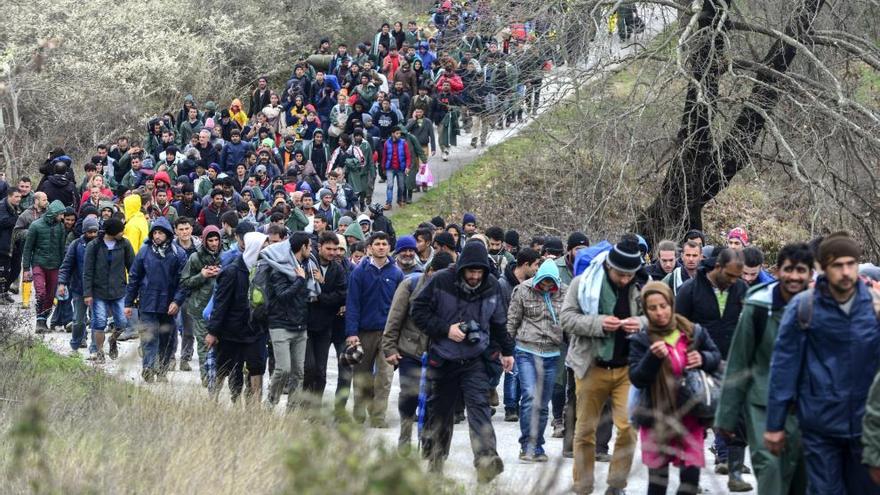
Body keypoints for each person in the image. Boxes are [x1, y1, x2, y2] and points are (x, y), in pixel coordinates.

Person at [766, 232, 880, 494]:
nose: (846, 272)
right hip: (820, 427)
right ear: (822, 268)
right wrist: (775, 424)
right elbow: (783, 368)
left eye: (851, 264)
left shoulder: (874, 307)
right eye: (838, 265)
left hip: (866, 429)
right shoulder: (804, 308)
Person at [412, 240, 514, 483]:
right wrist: (446, 329)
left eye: (479, 272)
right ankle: (435, 463)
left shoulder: (492, 286)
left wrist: (507, 351)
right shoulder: (440, 281)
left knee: (480, 409)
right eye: (471, 271)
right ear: (461, 268)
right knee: (440, 414)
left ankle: (487, 460)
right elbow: (418, 312)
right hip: (444, 358)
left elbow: (499, 322)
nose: (475, 276)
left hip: (474, 358)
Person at [716, 243, 813, 494]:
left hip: (807, 407)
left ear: (811, 274)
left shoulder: (821, 308)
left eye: (801, 270)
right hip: (762, 404)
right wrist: (725, 417)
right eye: (788, 269)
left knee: (801, 480)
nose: (794, 276)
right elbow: (739, 361)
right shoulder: (758, 306)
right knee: (770, 471)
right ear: (778, 271)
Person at [560, 235, 645, 495]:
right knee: (585, 431)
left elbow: (656, 318)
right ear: (609, 266)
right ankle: (583, 484)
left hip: (627, 369)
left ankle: (616, 484)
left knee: (628, 429)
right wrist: (598, 324)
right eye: (620, 274)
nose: (624, 279)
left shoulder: (641, 287)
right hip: (590, 366)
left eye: (629, 274)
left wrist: (639, 324)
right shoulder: (582, 283)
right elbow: (566, 319)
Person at [628, 282, 722, 495]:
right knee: (657, 484)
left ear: (671, 304)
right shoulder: (641, 340)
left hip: (690, 416)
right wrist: (652, 358)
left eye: (663, 306)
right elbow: (637, 378)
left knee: (690, 482)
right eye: (653, 308)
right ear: (645, 309)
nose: (660, 312)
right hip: (656, 417)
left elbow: (716, 357)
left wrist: (704, 358)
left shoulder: (692, 331)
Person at [675, 247, 751, 490]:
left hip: (732, 362)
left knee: (738, 419)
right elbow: (676, 328)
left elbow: (749, 324)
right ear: (717, 267)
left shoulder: (740, 289)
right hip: (697, 364)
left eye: (737, 277)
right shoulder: (689, 290)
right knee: (695, 424)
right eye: (729, 276)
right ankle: (690, 481)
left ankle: (735, 473)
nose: (733, 281)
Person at [382, 251, 454, 452]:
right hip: (409, 350)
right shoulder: (410, 285)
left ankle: (427, 440)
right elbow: (394, 318)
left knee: (434, 399)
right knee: (410, 394)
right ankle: (405, 434)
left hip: (438, 353)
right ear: (430, 271)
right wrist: (389, 348)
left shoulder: (451, 290)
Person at [507, 259, 567, 462]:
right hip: (526, 350)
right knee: (530, 397)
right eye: (544, 282)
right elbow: (512, 321)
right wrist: (505, 350)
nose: (547, 287)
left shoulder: (565, 293)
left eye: (551, 284)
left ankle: (537, 444)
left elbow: (569, 323)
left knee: (542, 403)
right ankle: (526, 445)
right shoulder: (522, 290)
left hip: (552, 353)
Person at [345, 231, 403, 426]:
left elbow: (402, 306)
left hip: (388, 335)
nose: (381, 247)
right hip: (363, 332)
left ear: (389, 247)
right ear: (369, 248)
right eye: (377, 244)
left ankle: (378, 417)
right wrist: (352, 333)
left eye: (384, 244)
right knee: (362, 375)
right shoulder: (359, 272)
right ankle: (360, 409)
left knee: (385, 377)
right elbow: (352, 303)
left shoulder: (396, 273)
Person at [207, 231, 268, 405]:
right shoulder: (232, 271)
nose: (266, 250)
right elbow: (221, 304)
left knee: (257, 367)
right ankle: (213, 401)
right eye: (263, 247)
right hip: (231, 331)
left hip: (254, 330)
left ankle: (255, 406)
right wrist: (213, 331)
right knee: (224, 367)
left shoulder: (263, 271)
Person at [124, 217, 188, 382]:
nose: (157, 236)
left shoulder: (178, 253)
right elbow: (134, 277)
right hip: (148, 302)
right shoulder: (144, 252)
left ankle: (162, 371)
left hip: (169, 304)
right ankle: (148, 366)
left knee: (167, 339)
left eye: (161, 233)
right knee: (149, 337)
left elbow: (184, 282)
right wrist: (128, 303)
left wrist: (177, 301)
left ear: (167, 234)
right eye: (155, 233)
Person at [263, 232, 315, 410]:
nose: (311, 249)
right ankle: (271, 401)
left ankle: (292, 410)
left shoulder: (307, 266)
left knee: (298, 372)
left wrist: (314, 284)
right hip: (280, 325)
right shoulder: (280, 268)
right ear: (302, 247)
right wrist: (300, 280)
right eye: (310, 246)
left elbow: (308, 295)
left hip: (300, 325)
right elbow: (282, 296)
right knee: (283, 368)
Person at [498, 247, 542, 422]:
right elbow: (500, 311)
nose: (537, 269)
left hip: (527, 334)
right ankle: (510, 406)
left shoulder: (533, 284)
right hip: (510, 333)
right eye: (536, 265)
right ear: (526, 264)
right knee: (512, 370)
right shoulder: (503, 284)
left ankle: (521, 404)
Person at [82, 218, 134, 362]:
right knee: (99, 322)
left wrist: (135, 289)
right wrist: (87, 293)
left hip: (119, 291)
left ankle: (113, 339)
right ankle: (99, 352)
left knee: (123, 322)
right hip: (99, 291)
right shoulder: (94, 246)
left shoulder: (124, 244)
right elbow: (87, 270)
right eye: (120, 230)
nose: (123, 233)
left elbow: (133, 268)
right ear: (112, 232)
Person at [304, 231, 348, 400]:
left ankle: (316, 407)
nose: (332, 252)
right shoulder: (307, 263)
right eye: (328, 248)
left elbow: (341, 296)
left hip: (325, 325)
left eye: (335, 249)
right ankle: (303, 404)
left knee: (321, 371)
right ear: (319, 247)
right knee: (309, 367)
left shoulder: (337, 269)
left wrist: (321, 288)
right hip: (305, 325)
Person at [180, 226, 222, 386]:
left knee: (220, 343)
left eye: (216, 240)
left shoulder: (225, 257)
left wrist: (222, 272)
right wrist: (202, 275)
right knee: (204, 343)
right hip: (199, 307)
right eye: (210, 240)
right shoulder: (195, 258)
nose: (214, 243)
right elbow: (184, 282)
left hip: (220, 307)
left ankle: (218, 374)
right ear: (205, 241)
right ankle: (207, 378)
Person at [22, 200, 67, 332]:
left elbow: (61, 248)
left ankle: (43, 320)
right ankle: (39, 321)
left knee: (51, 295)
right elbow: (28, 248)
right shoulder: (35, 226)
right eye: (60, 214)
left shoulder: (60, 227)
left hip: (55, 265)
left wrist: (63, 268)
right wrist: (26, 268)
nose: (62, 217)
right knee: (41, 292)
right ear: (53, 213)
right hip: (39, 264)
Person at [57, 216, 99, 357]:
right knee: (78, 320)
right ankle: (75, 345)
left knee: (96, 321)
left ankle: (95, 349)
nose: (93, 235)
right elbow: (66, 265)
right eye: (90, 232)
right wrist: (62, 283)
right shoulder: (76, 245)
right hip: (79, 289)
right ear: (84, 231)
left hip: (97, 290)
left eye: (95, 231)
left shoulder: (102, 245)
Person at [0, 187, 22, 302]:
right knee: (3, 272)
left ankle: (5, 291)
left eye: (20, 196)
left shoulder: (17, 207)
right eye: (16, 196)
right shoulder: (2, 207)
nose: (19, 199)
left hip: (15, 244)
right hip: (3, 245)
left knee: (16, 270)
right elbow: (3, 222)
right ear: (9, 196)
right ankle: (1, 294)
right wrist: (18, 219)